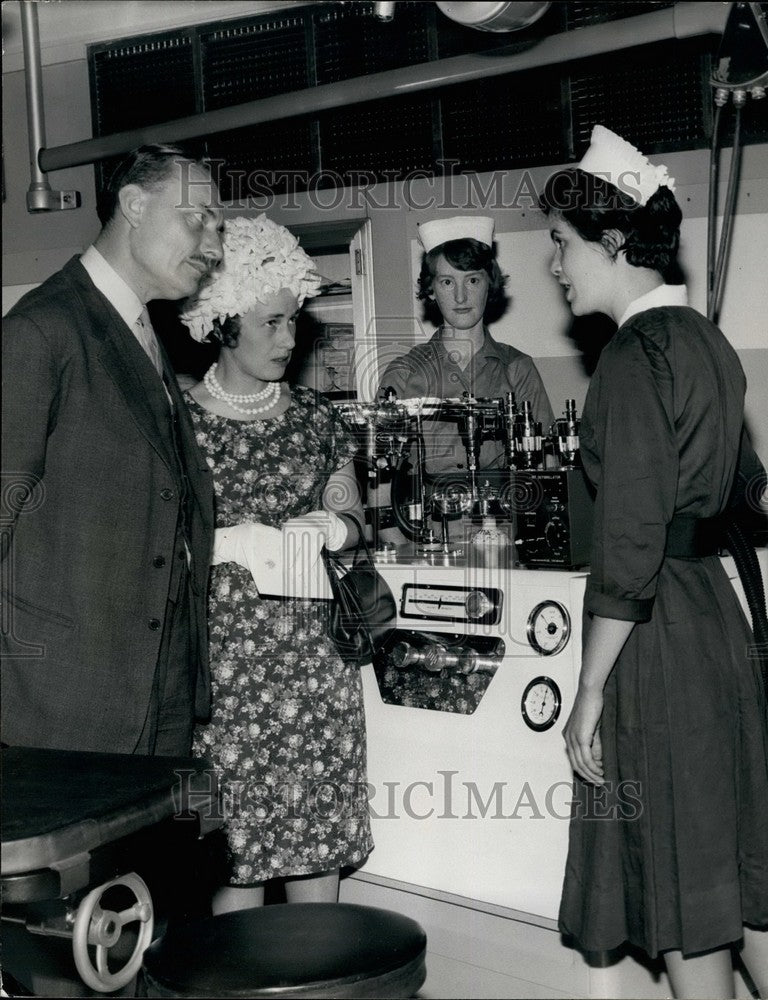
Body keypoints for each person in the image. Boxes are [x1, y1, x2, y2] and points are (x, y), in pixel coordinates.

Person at [541, 126, 768, 998]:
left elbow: (630, 541)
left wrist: (589, 689)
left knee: (683, 880)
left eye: (562, 247)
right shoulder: (703, 341)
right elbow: (749, 486)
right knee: (735, 871)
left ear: (612, 243)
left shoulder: (630, 358)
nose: (556, 268)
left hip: (656, 637)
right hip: (718, 624)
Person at [179, 213, 373, 911]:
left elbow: (356, 521)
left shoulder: (317, 418)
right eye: (270, 323)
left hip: (314, 676)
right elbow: (148, 543)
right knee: (233, 862)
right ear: (224, 320)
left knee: (315, 856)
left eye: (294, 321)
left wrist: (330, 528)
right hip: (222, 682)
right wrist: (225, 542)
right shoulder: (180, 419)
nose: (289, 339)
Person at [1, 144, 222, 756]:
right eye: (197, 217)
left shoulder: (143, 333)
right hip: (59, 704)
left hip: (155, 684)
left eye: (218, 225)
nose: (215, 245)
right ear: (133, 204)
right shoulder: (41, 331)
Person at [372, 216, 554, 543]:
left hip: (506, 538)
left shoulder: (518, 369)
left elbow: (548, 468)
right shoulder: (404, 373)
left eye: (472, 281)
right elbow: (381, 476)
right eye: (446, 282)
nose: (460, 297)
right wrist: (401, 552)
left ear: (490, 283)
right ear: (430, 288)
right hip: (428, 540)